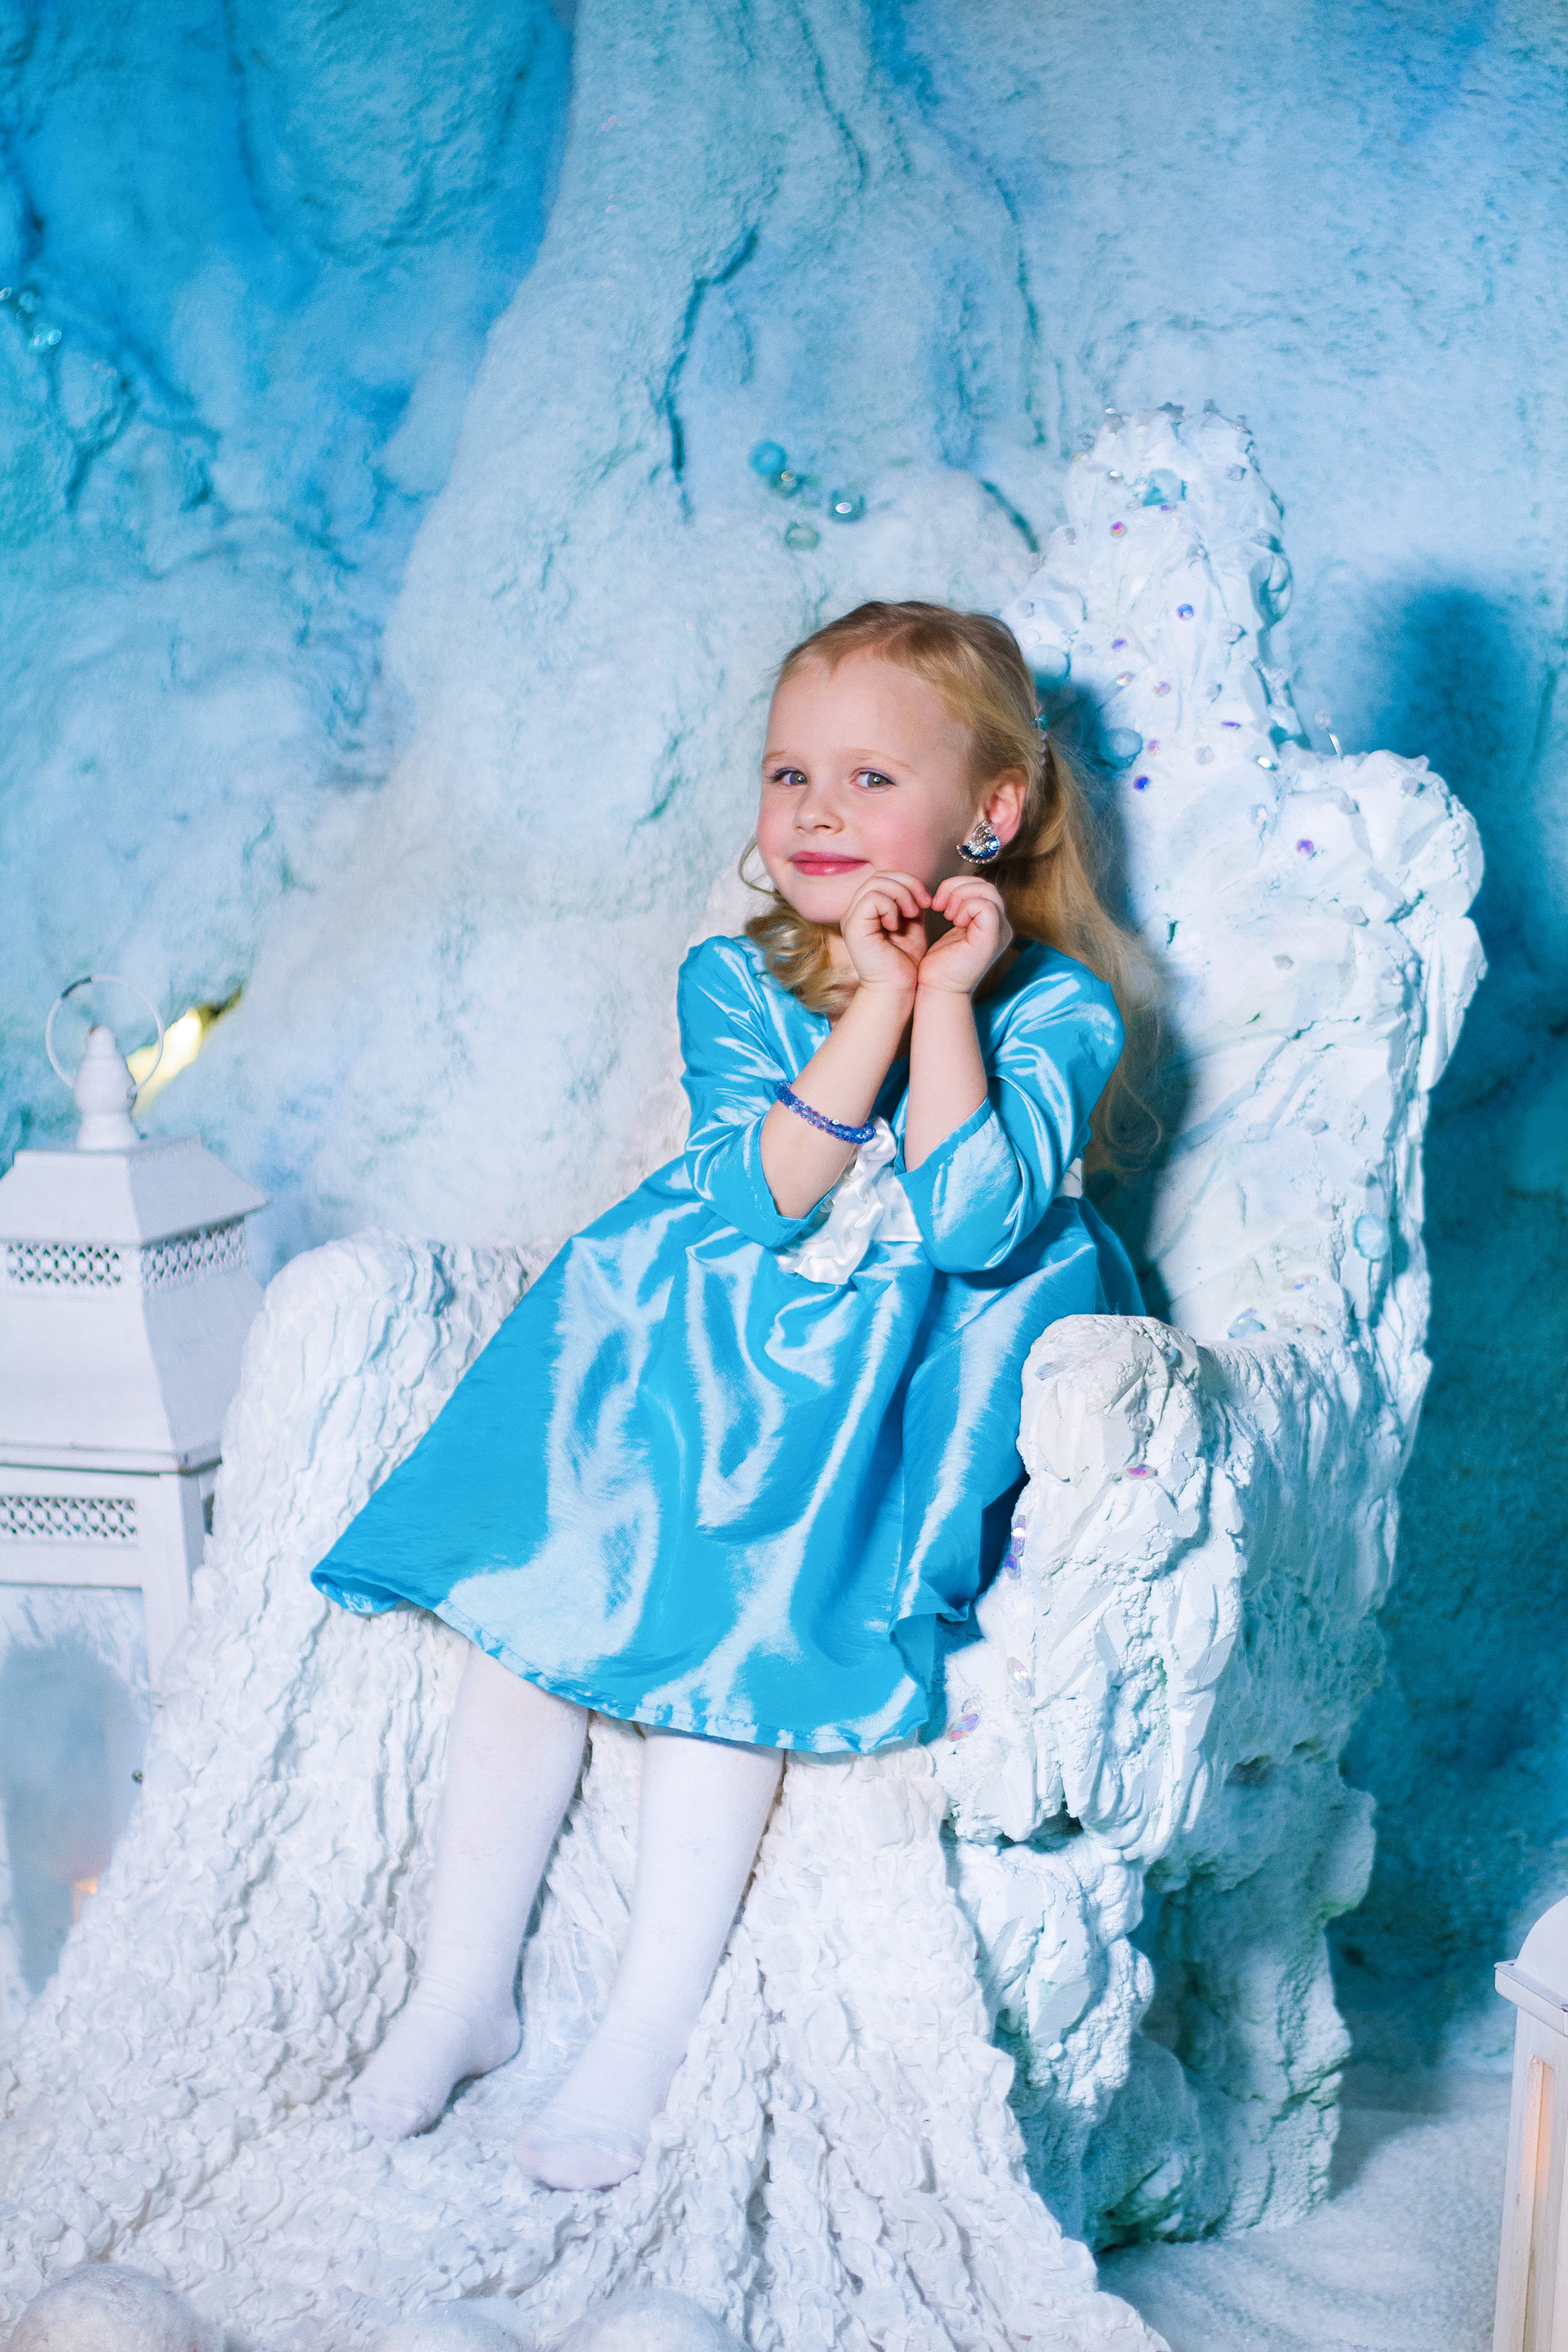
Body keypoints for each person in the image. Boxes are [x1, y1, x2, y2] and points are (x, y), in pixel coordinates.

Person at [311, 599, 1146, 2189]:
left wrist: (943, 1001)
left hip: (873, 1409)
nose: (816, 810)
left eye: (869, 778)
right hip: (679, 1359)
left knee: (735, 1647)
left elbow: (971, 1221)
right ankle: (460, 1989)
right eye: (787, 773)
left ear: (990, 812)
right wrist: (872, 1000)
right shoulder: (736, 974)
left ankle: (643, 2027)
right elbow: (763, 1195)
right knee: (523, 1616)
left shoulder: (1054, 1007)